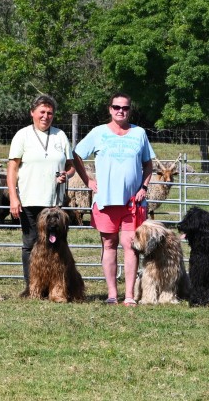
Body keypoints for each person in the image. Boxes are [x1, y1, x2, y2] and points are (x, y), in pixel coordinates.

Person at [73, 92, 155, 307]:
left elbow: (148, 164)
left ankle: (128, 295)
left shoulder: (139, 134)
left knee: (130, 245)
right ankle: (111, 294)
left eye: (125, 108)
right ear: (110, 109)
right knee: (109, 244)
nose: (121, 111)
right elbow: (77, 154)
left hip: (132, 202)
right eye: (117, 107)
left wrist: (144, 187)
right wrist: (88, 181)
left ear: (130, 110)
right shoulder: (98, 133)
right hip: (106, 201)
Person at [7, 94, 75, 291]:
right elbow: (12, 168)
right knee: (30, 244)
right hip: (29, 199)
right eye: (42, 112)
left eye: (50, 113)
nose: (46, 116)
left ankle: (55, 285)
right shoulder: (22, 135)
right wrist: (13, 196)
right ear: (32, 113)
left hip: (53, 203)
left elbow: (70, 166)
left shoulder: (60, 136)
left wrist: (66, 174)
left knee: (56, 245)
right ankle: (33, 287)